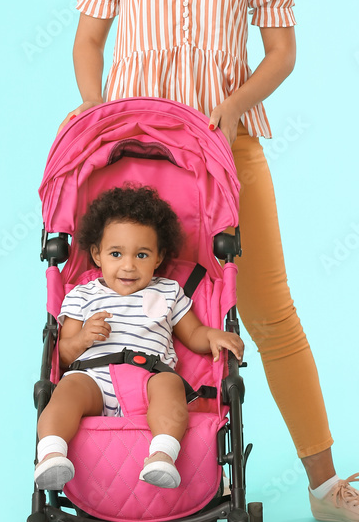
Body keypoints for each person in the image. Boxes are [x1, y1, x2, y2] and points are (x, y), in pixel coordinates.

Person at [57, 0, 359, 522]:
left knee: (267, 309)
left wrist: (234, 105)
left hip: (225, 149)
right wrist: (95, 115)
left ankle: (325, 484)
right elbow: (88, 41)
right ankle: (112, 481)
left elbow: (280, 51)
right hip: (132, 159)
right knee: (121, 304)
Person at [34, 184, 243, 491]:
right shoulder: (82, 294)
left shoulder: (168, 291)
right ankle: (52, 454)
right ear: (97, 254)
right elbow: (63, 354)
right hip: (93, 378)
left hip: (149, 376)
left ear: (158, 257)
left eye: (141, 254)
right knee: (65, 389)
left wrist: (213, 336)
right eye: (116, 254)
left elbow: (193, 333)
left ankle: (162, 455)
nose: (128, 265)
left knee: (171, 386)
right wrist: (83, 340)